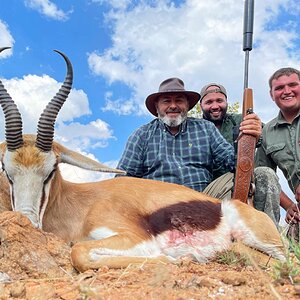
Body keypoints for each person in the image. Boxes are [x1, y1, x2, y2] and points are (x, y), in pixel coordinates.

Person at [117, 78, 275, 222]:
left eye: (179, 100)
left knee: (263, 174)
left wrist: (244, 142)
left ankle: (267, 237)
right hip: (158, 207)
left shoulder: (206, 128)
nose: (173, 106)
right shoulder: (141, 135)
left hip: (205, 200)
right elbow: (122, 181)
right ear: (157, 107)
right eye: (166, 101)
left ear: (187, 105)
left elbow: (230, 161)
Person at [199, 83, 281, 226]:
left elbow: (271, 135)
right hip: (211, 190)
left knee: (265, 174)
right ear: (201, 106)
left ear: (226, 102)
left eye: (219, 101)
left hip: (244, 181)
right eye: (209, 102)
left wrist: (257, 132)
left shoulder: (241, 119)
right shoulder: (194, 128)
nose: (215, 106)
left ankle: (270, 231)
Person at [255, 67, 300, 234]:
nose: (286, 91)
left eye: (293, 85)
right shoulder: (267, 131)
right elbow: (263, 176)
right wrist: (289, 206)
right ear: (271, 94)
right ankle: (268, 238)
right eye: (279, 88)